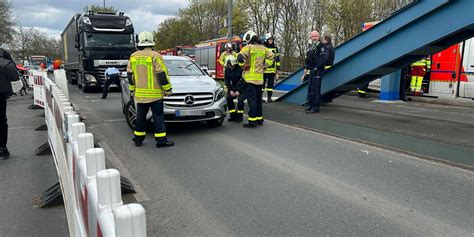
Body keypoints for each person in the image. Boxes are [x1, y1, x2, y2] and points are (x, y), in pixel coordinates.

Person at [127, 31, 174, 148]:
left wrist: (132, 90)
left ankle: (138, 139)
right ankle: (161, 141)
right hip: (155, 95)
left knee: (140, 117)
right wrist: (168, 89)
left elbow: (130, 76)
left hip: (140, 95)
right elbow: (161, 74)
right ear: (152, 42)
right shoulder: (155, 56)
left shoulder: (133, 56)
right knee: (158, 117)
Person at [237, 30, 274, 128]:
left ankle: (252, 121)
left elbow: (240, 57)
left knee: (252, 101)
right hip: (260, 79)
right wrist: (264, 66)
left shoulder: (248, 47)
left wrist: (243, 66)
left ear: (249, 39)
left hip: (250, 80)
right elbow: (272, 57)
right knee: (258, 100)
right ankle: (259, 119)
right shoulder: (264, 48)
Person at [0, 48, 20, 159]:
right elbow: (16, 81)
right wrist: (10, 92)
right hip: (1, 96)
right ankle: (2, 147)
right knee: (1, 120)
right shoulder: (6, 62)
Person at [304, 31, 328, 113]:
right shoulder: (310, 47)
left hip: (318, 71)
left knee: (316, 89)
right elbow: (308, 58)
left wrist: (316, 68)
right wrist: (306, 67)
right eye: (313, 36)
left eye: (316, 36)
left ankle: (316, 107)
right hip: (311, 70)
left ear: (319, 37)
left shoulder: (322, 46)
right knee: (310, 88)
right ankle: (311, 105)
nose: (314, 38)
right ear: (310, 37)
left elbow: (323, 59)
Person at [224, 55, 245, 123]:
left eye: (231, 65)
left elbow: (243, 81)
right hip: (233, 87)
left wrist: (239, 91)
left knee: (240, 100)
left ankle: (240, 116)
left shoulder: (240, 69)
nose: (230, 67)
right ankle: (233, 115)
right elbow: (227, 81)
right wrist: (230, 90)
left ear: (235, 64)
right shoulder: (227, 69)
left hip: (242, 87)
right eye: (229, 66)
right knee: (229, 98)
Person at [263, 33, 280, 103]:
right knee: (262, 84)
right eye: (270, 39)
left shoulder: (275, 48)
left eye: (272, 40)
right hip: (264, 69)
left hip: (272, 70)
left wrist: (278, 68)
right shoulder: (263, 47)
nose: (271, 41)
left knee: (270, 85)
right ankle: (260, 97)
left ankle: (269, 97)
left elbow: (278, 59)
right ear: (266, 40)